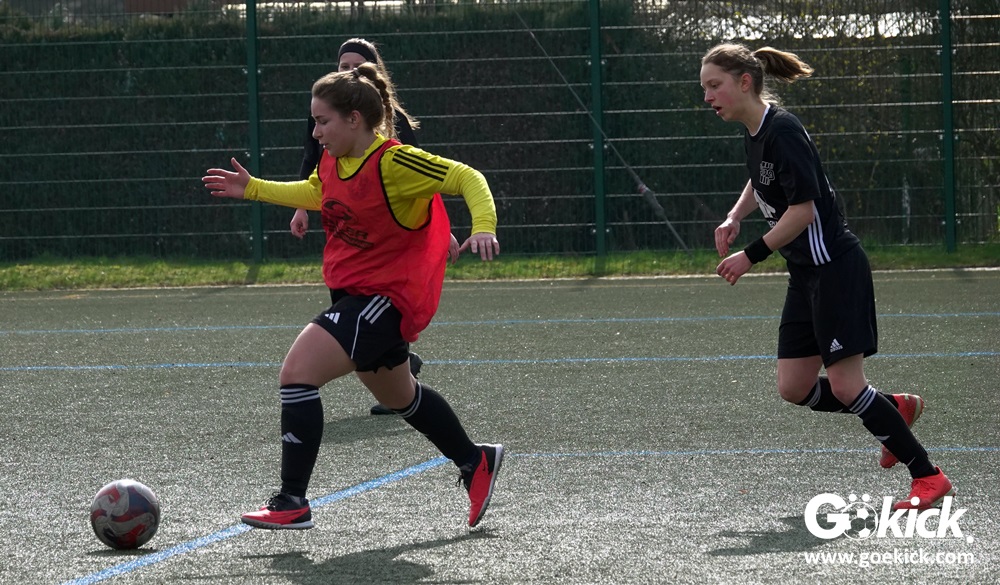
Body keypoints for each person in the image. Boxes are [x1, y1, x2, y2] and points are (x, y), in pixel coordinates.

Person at [202, 63, 504, 529]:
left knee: (297, 374)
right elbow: (316, 192)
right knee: (401, 396)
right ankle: (474, 460)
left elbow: (468, 177)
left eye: (323, 121)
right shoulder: (335, 161)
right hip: (355, 295)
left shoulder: (395, 163)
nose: (316, 132)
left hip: (383, 298)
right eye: (315, 122)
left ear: (354, 119)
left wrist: (483, 226)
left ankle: (291, 500)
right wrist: (254, 189)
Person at [701, 43, 953, 510]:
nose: (707, 96)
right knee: (794, 386)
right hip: (805, 274)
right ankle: (893, 408)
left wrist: (749, 255)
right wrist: (735, 215)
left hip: (835, 269)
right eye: (705, 88)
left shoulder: (783, 130)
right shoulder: (756, 131)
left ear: (744, 82)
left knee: (845, 386)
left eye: (714, 85)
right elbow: (762, 179)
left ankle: (928, 475)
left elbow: (803, 211)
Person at [289, 38, 459, 416]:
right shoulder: (328, 124)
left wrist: (439, 227)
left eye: (356, 64)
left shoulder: (390, 139)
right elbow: (312, 170)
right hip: (352, 238)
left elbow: (429, 177)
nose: (349, 70)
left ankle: (396, 363)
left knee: (300, 371)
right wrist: (296, 204)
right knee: (354, 298)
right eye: (343, 64)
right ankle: (400, 368)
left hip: (389, 248)